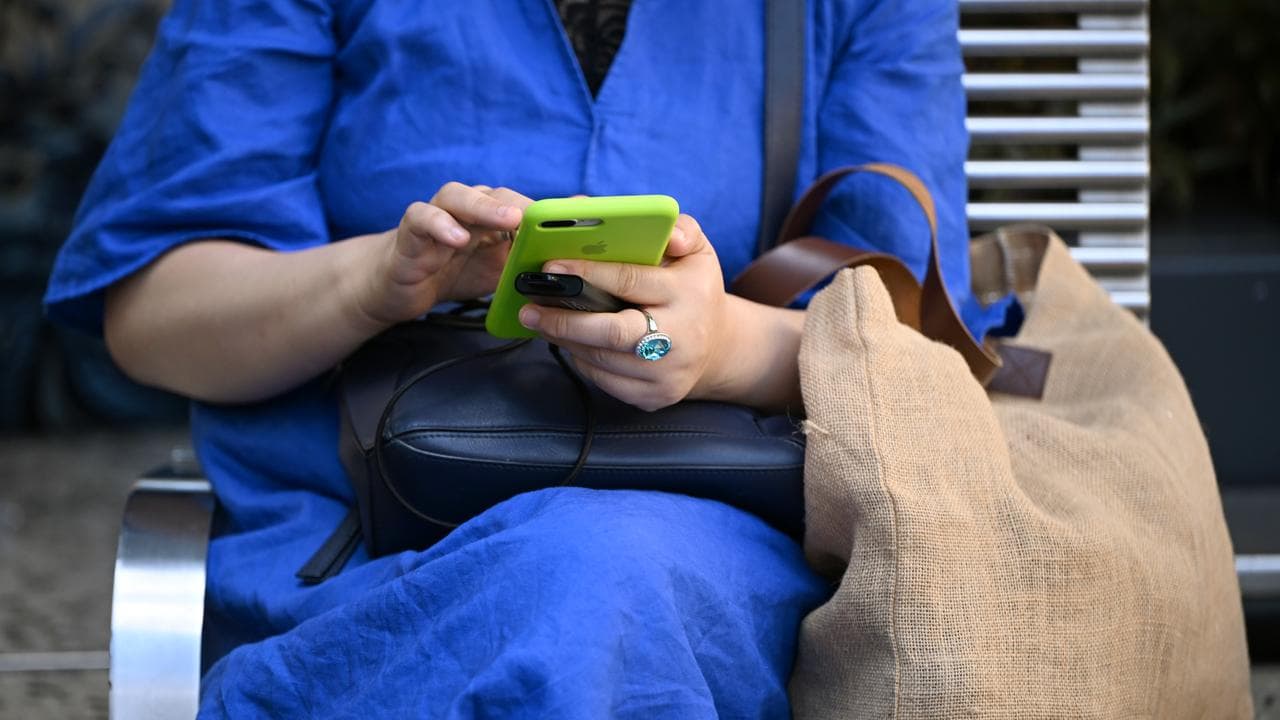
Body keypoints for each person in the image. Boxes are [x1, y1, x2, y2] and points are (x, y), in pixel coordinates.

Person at [45, 0, 1008, 716]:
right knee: (588, 595)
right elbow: (151, 314)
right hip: (354, 557)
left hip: (713, 561)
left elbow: (921, 354)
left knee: (598, 583)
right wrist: (375, 283)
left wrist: (717, 347)